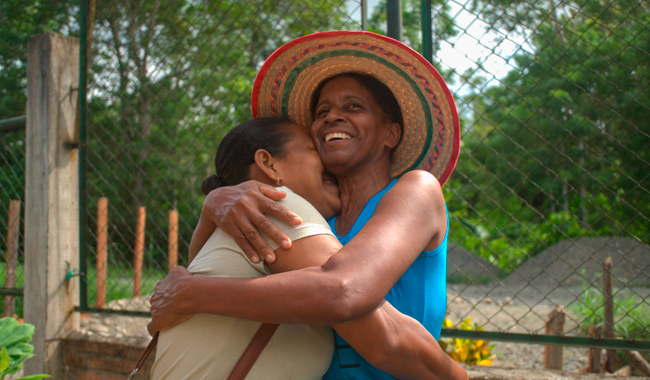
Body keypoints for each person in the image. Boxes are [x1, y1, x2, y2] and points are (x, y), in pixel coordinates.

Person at [150, 31, 463, 380]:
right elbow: (222, 266)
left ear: (390, 134)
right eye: (322, 111)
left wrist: (192, 295)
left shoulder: (415, 190)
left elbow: (344, 290)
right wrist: (213, 205)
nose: (331, 117)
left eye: (353, 107)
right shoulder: (313, 221)